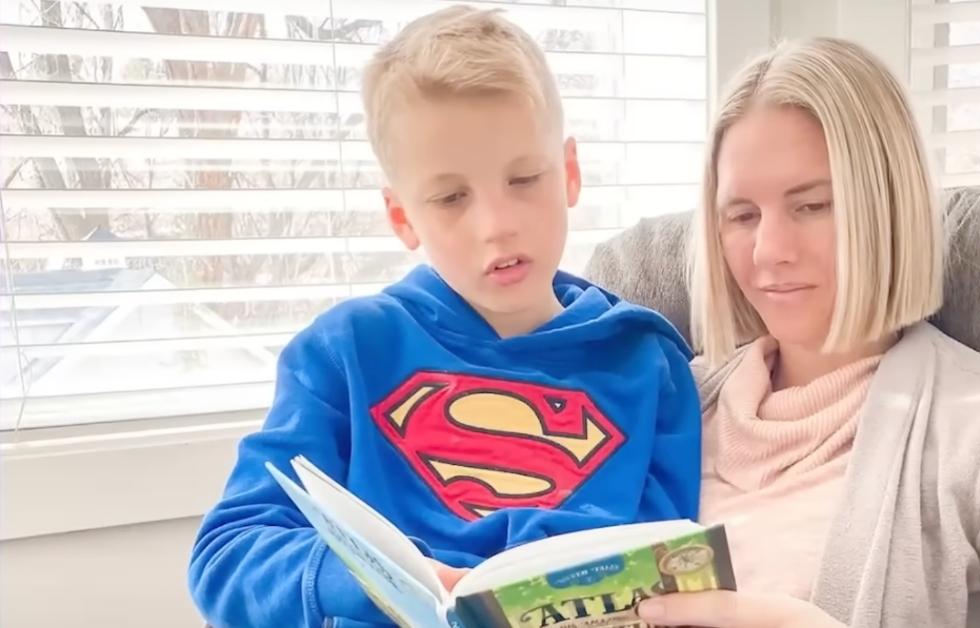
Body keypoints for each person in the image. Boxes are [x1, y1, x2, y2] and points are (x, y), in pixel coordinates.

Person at [633, 38, 980, 628]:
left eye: (811, 206)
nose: (769, 252)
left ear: (885, 208)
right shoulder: (663, 400)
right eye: (742, 215)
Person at [187, 7, 700, 627]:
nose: (496, 224)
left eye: (524, 178)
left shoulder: (649, 363)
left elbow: (675, 570)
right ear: (402, 216)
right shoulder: (345, 352)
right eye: (452, 197)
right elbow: (227, 556)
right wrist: (376, 582)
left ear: (568, 172)